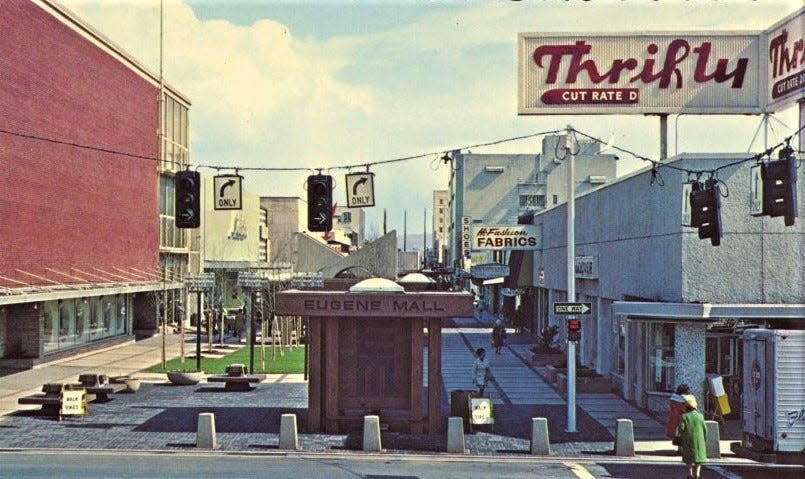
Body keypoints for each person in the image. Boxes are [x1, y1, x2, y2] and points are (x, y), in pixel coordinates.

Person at [677, 394, 708, 479]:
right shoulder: (700, 416)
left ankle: (690, 474)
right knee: (699, 459)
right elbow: (705, 430)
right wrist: (703, 439)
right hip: (699, 441)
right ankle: (697, 473)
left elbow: (681, 429)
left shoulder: (684, 416)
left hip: (688, 440)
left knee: (688, 459)